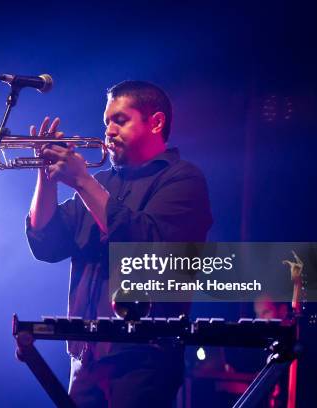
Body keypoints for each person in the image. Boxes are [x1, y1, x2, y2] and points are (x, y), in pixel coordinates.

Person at [26, 80, 213, 407]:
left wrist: (82, 181)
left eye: (120, 120)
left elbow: (146, 245)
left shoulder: (183, 179)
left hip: (143, 357)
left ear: (155, 122)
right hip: (86, 357)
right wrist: (46, 176)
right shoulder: (101, 183)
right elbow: (47, 243)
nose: (108, 131)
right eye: (106, 122)